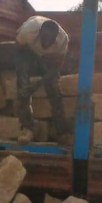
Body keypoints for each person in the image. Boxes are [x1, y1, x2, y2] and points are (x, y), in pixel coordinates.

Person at [13, 16, 71, 145]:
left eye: (50, 41)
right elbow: (17, 53)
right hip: (26, 50)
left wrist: (38, 84)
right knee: (23, 85)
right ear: (40, 34)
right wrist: (23, 76)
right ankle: (28, 127)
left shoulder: (62, 40)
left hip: (48, 58)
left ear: (55, 39)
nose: (46, 43)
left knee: (54, 88)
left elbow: (55, 69)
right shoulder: (28, 32)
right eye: (44, 40)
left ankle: (63, 132)